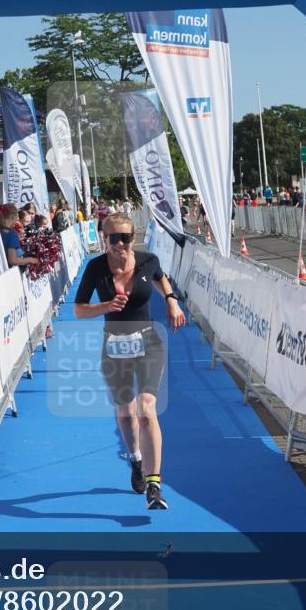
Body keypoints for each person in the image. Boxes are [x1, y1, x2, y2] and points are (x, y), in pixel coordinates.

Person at [74, 213, 185, 510]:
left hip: (149, 342)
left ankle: (154, 484)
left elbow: (160, 277)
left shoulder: (148, 261)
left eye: (124, 238)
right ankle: (135, 459)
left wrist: (171, 300)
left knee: (147, 409)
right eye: (113, 238)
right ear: (104, 238)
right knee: (125, 412)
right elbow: (79, 310)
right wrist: (106, 306)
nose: (119, 244)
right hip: (114, 345)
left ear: (133, 238)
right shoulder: (96, 268)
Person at [0, 204, 40, 269]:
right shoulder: (11, 234)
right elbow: (13, 260)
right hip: (5, 271)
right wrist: (32, 260)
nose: (17, 220)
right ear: (13, 217)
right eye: (17, 217)